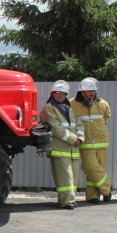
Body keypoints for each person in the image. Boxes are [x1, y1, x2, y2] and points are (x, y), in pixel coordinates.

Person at [39, 80, 84, 210]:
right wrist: (73, 139)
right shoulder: (49, 109)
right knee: (65, 177)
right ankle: (66, 201)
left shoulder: (69, 109)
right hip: (60, 149)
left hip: (73, 149)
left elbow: (80, 124)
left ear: (66, 95)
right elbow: (55, 128)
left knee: (73, 177)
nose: (60, 95)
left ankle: (70, 199)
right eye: (57, 93)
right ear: (52, 94)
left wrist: (80, 138)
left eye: (63, 93)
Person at [70, 77, 112, 204]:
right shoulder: (72, 104)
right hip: (86, 141)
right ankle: (107, 188)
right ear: (82, 92)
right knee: (90, 167)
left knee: (99, 169)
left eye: (93, 90)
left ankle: (92, 196)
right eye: (89, 91)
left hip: (102, 141)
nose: (92, 93)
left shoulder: (102, 103)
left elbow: (106, 117)